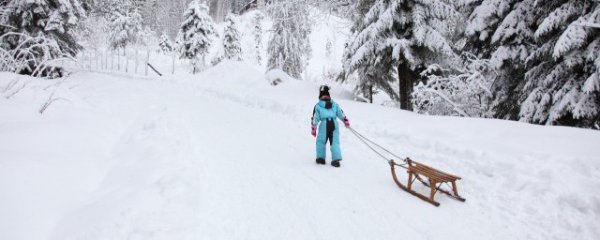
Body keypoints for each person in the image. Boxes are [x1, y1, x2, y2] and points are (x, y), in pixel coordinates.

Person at [311, 85, 350, 167]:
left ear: (320, 96)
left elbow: (315, 117)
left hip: (324, 124)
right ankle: (336, 160)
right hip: (334, 123)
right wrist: (345, 120)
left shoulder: (318, 106)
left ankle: (321, 158)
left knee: (321, 141)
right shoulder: (334, 104)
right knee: (334, 142)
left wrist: (314, 127)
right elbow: (340, 112)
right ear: (329, 95)